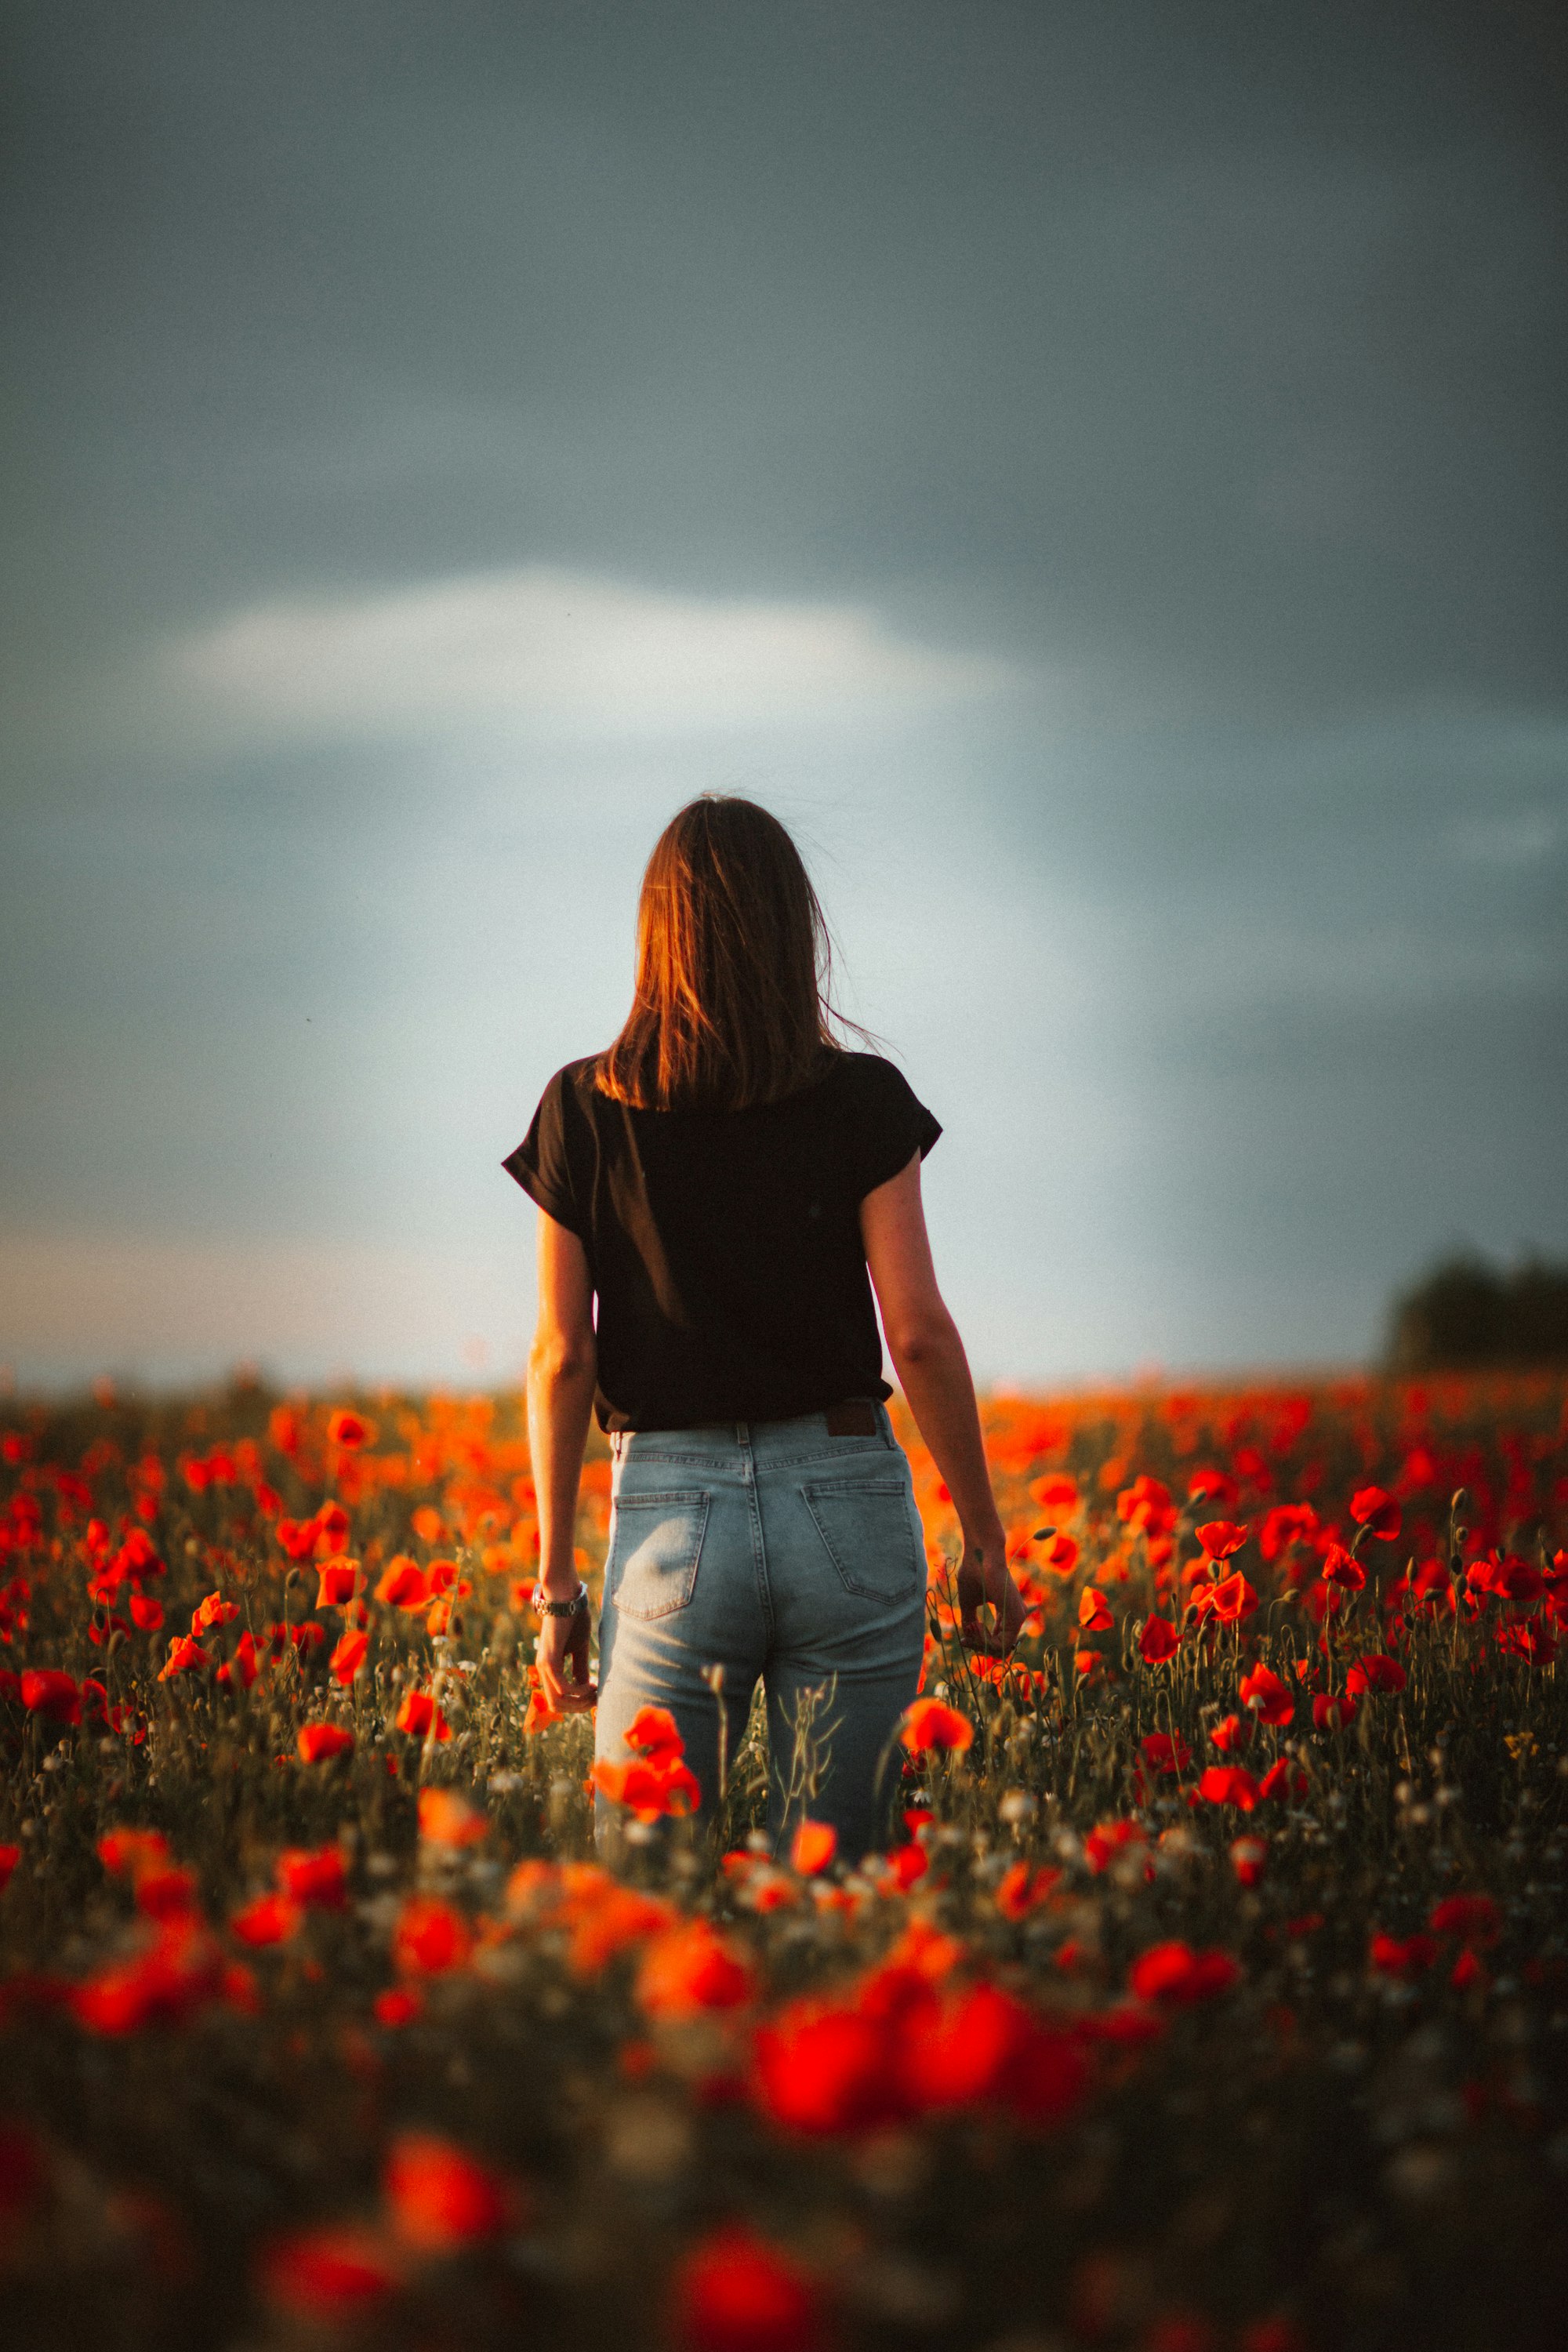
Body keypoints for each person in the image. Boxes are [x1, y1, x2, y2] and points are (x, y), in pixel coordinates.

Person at [505, 795, 1025, 1861]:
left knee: (646, 1893)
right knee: (842, 1886)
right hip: (848, 1502)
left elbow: (564, 1357)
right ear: (795, 932)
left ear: (655, 934)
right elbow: (918, 1333)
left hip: (667, 1519)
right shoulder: (864, 1102)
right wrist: (985, 1541)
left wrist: (557, 1585)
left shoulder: (582, 1112)